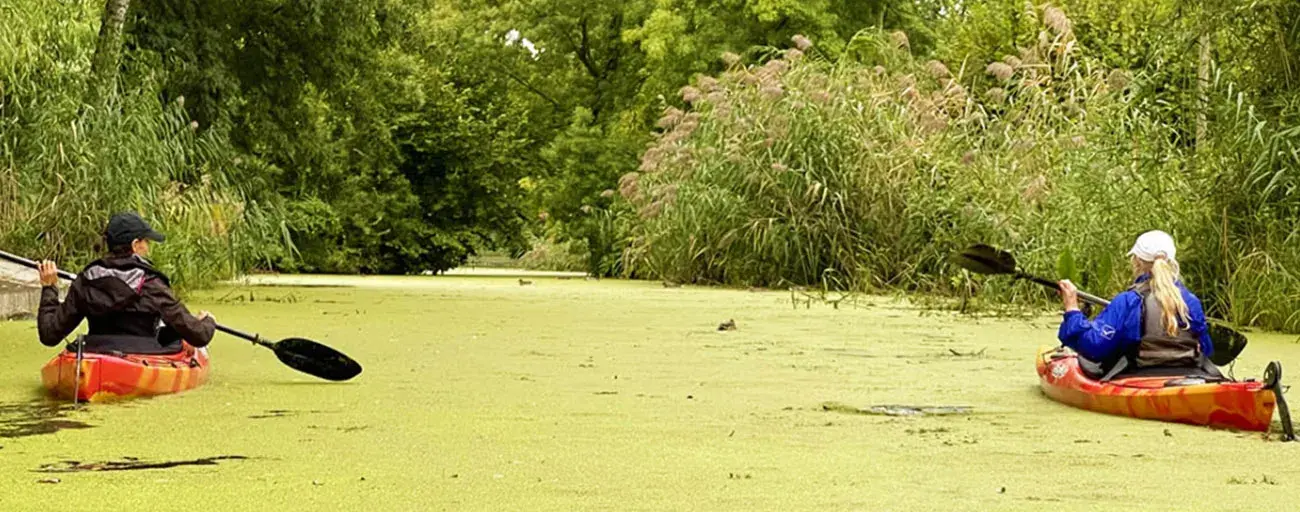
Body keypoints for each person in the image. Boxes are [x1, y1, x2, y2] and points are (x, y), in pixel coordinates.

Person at [37, 212, 216, 355]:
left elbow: (49, 334)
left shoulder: (86, 281)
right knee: (174, 337)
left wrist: (49, 288)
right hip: (144, 353)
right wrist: (207, 322)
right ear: (135, 244)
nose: (148, 247)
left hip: (96, 350)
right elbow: (199, 336)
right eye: (146, 241)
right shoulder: (151, 283)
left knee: (169, 334)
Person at [1057, 230, 1216, 377]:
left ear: (1137, 261)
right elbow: (1206, 349)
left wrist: (1072, 309)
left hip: (1140, 375)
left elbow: (1094, 348)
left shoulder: (1127, 301)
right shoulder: (1191, 301)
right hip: (1187, 374)